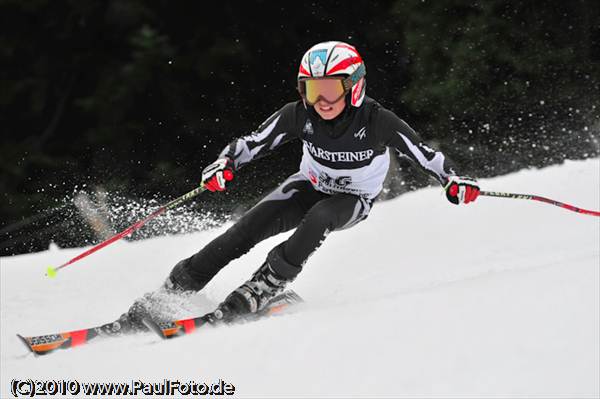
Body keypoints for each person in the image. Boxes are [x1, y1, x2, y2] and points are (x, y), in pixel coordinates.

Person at [122, 40, 480, 329]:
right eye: (311, 90)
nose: (320, 101)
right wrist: (224, 163)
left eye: (330, 90)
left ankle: (266, 284)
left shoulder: (378, 121)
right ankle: (174, 289)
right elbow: (251, 143)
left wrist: (454, 180)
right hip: (307, 183)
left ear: (354, 87)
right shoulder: (298, 114)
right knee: (244, 230)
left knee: (321, 216)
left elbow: (426, 155)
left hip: (352, 199)